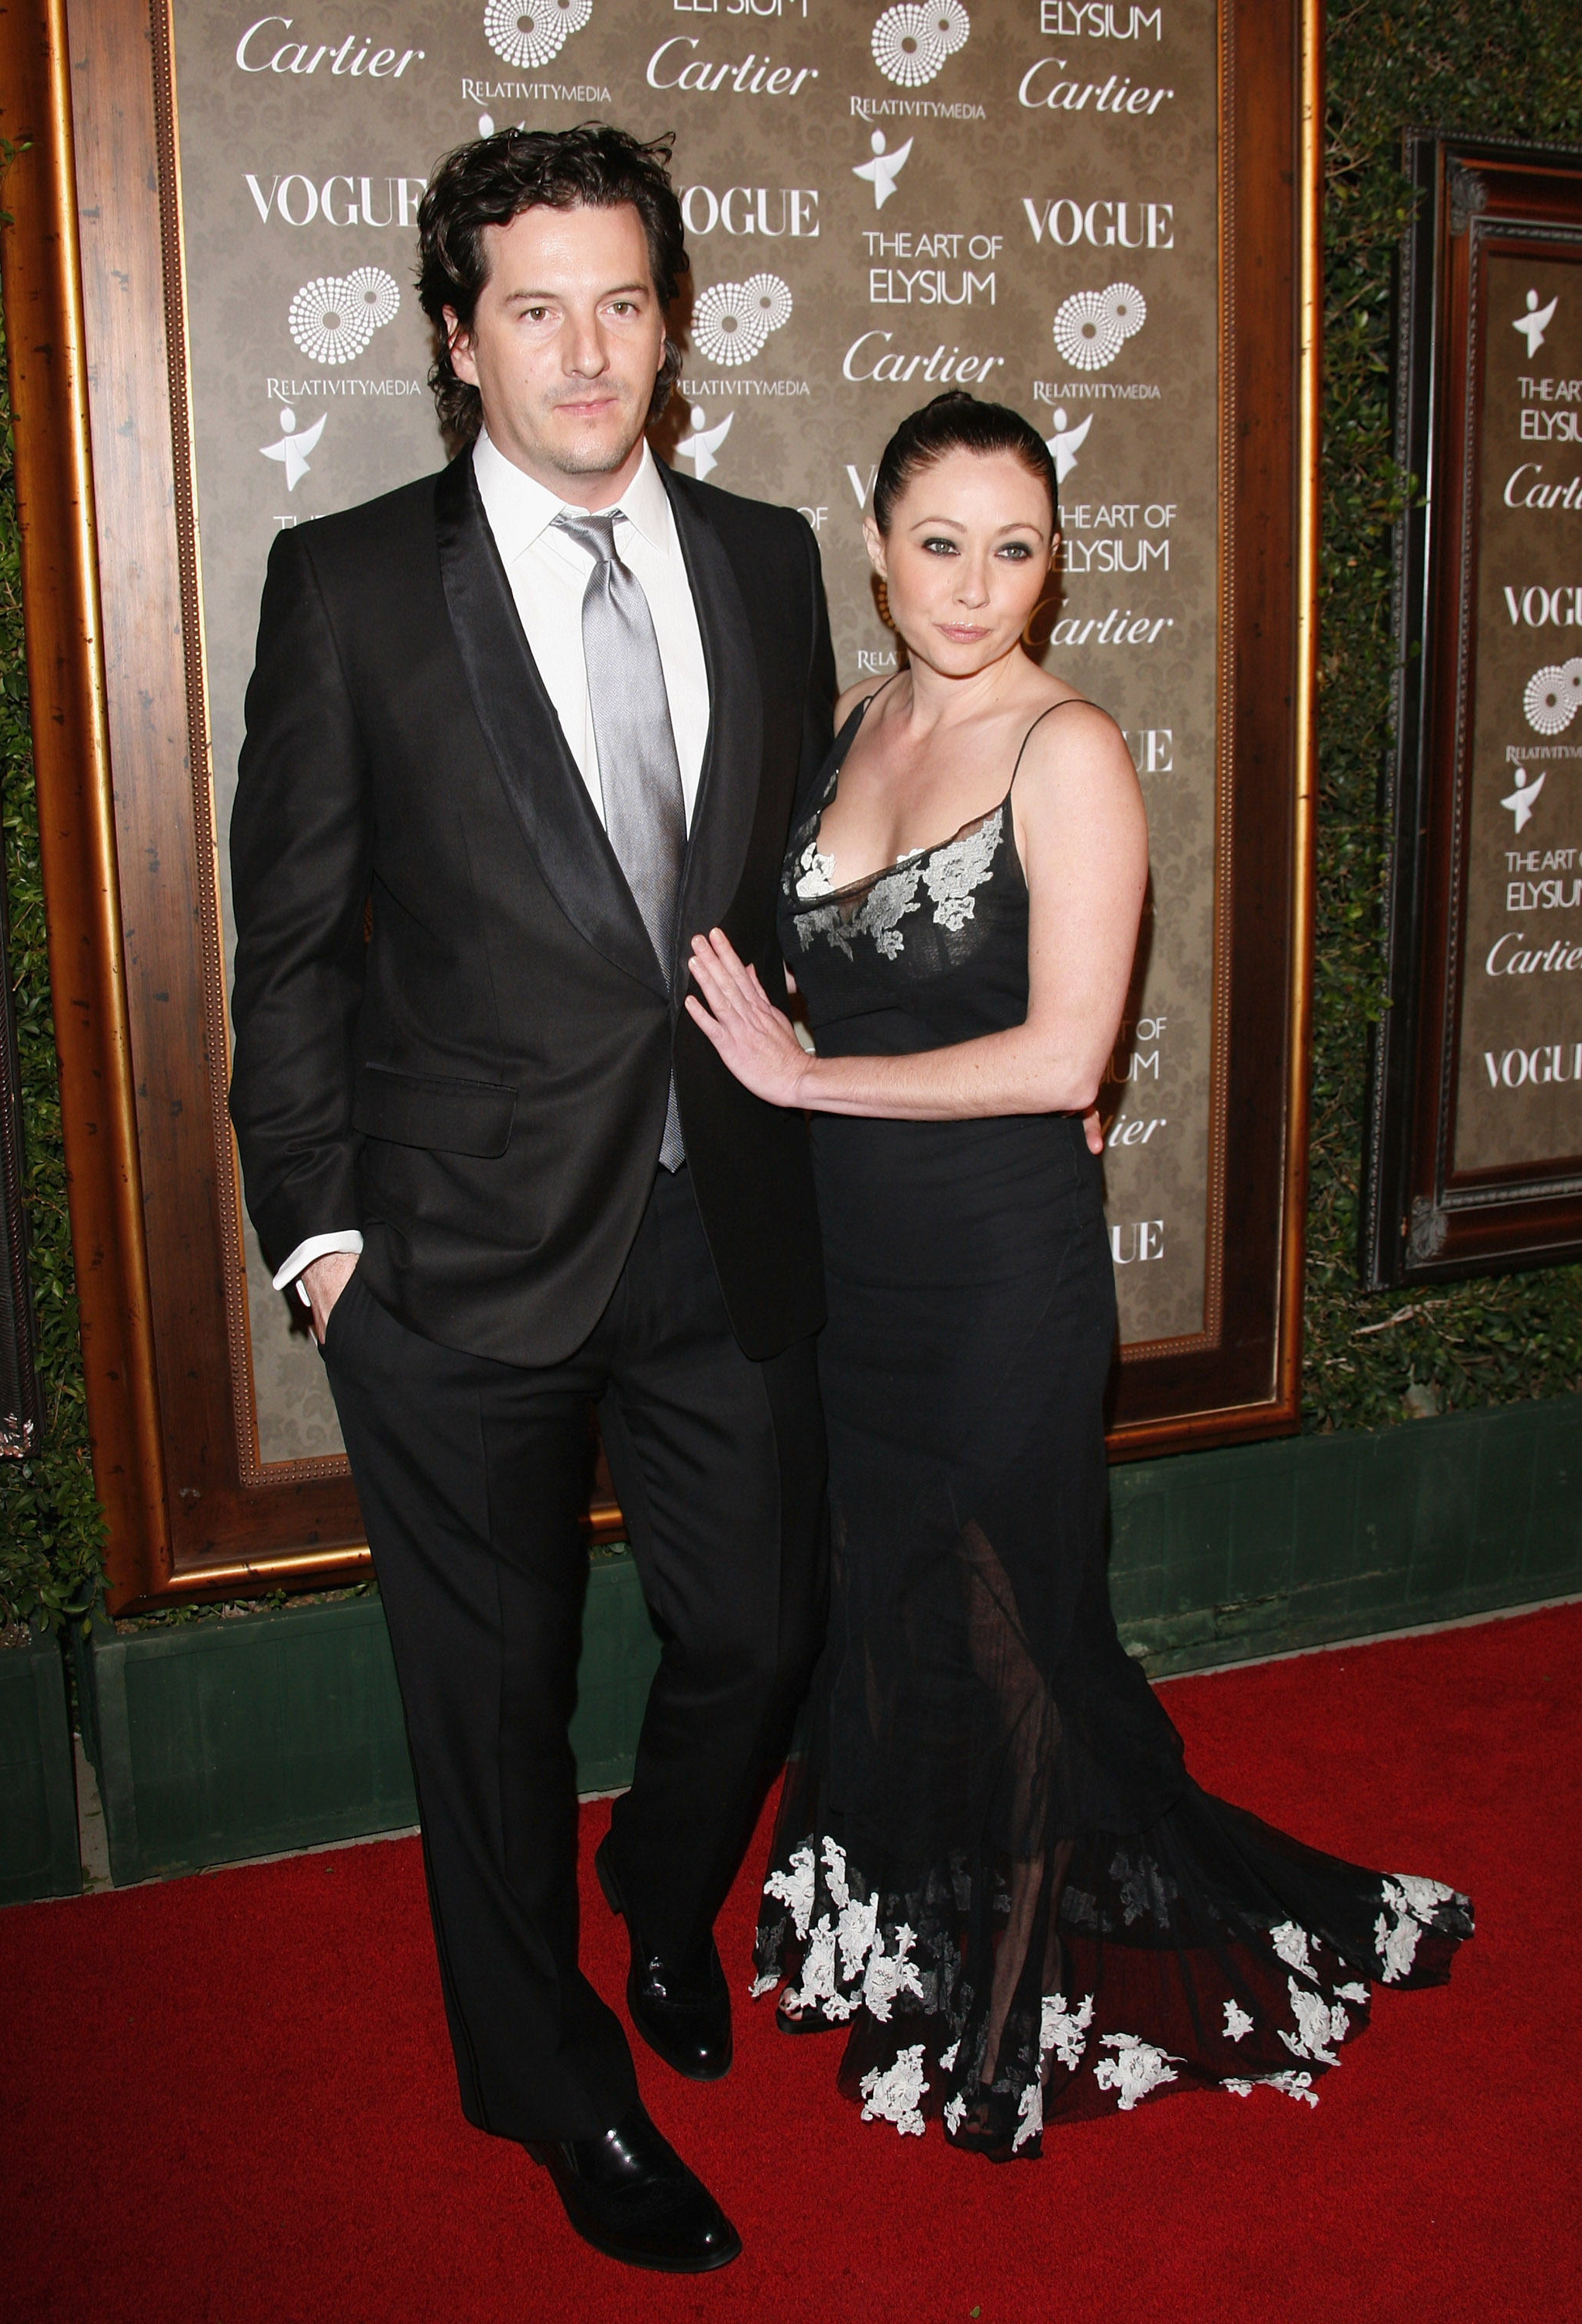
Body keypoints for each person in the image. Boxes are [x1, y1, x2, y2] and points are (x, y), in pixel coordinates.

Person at [685, 391, 1473, 2157]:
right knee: (879, 1600)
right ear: (875, 544)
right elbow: (844, 981)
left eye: (1017, 547)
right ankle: (908, 1913)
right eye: (941, 543)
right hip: (849, 1265)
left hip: (994, 1272)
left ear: (1058, 561)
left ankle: (1022, 1969)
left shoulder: (1071, 751)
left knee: (1017, 1623)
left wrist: (806, 1076)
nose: (976, 587)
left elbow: (1061, 1057)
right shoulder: (839, 724)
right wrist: (782, 1052)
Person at [228, 125, 835, 2270]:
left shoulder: (766, 557)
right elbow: (288, 945)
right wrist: (318, 1246)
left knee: (757, 1626)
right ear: (453, 337)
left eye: (625, 304)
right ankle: (547, 2085)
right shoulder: (353, 584)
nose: (586, 355)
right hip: (452, 1256)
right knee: (479, 1710)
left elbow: (758, 900)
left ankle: (661, 1900)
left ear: (670, 324)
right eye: (534, 309)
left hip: (715, 1225)